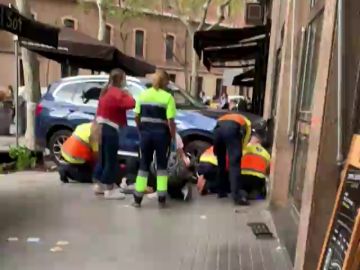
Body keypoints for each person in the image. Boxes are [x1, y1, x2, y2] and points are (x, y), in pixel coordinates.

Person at [133, 70, 177, 208]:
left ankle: (137, 199)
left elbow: (136, 116)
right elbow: (170, 121)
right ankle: (162, 198)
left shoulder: (143, 95)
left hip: (146, 134)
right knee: (162, 166)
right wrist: (173, 136)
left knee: (144, 164)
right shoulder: (168, 97)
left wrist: (141, 129)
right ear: (165, 82)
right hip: (162, 135)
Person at [93, 69, 136, 200]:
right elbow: (132, 103)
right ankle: (109, 189)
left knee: (103, 157)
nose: (125, 81)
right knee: (111, 159)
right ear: (120, 79)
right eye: (124, 78)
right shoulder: (117, 93)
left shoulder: (105, 91)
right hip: (111, 128)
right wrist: (127, 92)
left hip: (100, 127)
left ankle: (99, 184)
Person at [213, 113, 251, 205]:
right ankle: (237, 197)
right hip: (231, 130)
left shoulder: (223, 117)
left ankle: (221, 191)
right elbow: (246, 137)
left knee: (220, 162)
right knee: (234, 165)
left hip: (217, 131)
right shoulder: (247, 122)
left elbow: (215, 128)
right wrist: (241, 149)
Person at [147, 132, 193, 201]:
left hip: (167, 171)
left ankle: (160, 190)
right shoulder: (176, 136)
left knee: (153, 166)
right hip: (175, 171)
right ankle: (181, 188)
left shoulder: (158, 135)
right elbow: (181, 153)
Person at [241, 128, 271, 199]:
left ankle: (243, 194)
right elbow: (268, 170)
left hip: (243, 177)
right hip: (257, 180)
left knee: (241, 189)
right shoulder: (266, 153)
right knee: (257, 191)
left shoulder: (244, 149)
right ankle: (255, 193)